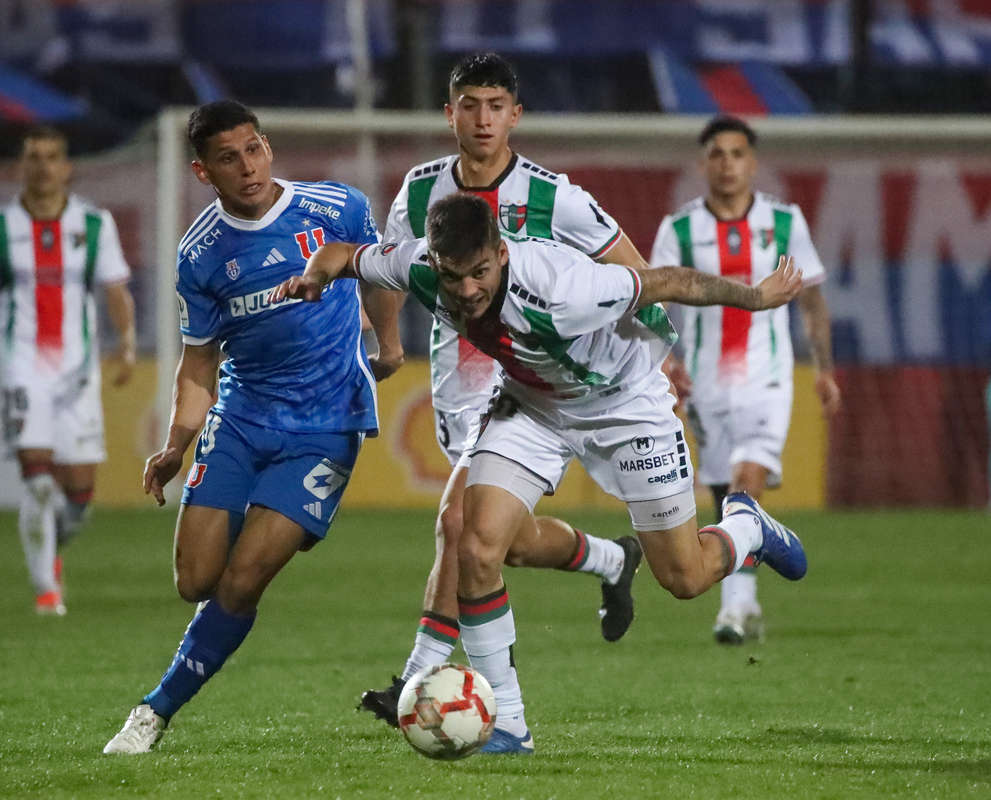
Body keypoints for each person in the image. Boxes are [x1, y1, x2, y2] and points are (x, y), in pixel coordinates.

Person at [276, 193, 809, 754]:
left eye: (480, 272)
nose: (468, 290)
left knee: (684, 579)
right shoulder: (417, 266)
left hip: (625, 404)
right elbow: (340, 254)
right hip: (534, 404)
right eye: (454, 276)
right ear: (434, 263)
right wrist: (313, 277)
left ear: (501, 254)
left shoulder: (560, 288)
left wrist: (755, 297)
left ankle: (747, 527)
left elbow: (670, 282)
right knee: (477, 544)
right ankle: (507, 721)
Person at [358, 52, 655, 727]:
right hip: (456, 381)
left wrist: (654, 345)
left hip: (531, 384)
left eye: (496, 106)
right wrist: (389, 344)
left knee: (458, 525)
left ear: (515, 114)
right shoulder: (417, 191)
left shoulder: (555, 197)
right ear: (450, 112)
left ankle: (423, 681)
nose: (483, 118)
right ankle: (611, 559)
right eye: (470, 104)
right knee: (502, 542)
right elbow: (382, 271)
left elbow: (631, 268)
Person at [102, 100, 402, 755]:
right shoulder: (200, 255)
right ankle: (225, 539)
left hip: (326, 426)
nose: (248, 167)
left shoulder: (336, 207)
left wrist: (391, 342)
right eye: (229, 158)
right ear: (202, 171)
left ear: (268, 146)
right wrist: (176, 444)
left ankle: (152, 713)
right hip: (240, 420)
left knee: (243, 580)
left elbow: (382, 269)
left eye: (255, 149)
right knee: (196, 582)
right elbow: (198, 364)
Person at [651, 116, 840, 645]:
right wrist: (668, 359)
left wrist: (824, 370)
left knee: (746, 478)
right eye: (717, 154)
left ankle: (734, 608)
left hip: (768, 376)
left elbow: (812, 299)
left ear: (753, 163)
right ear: (702, 164)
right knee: (721, 489)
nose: (727, 164)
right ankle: (747, 598)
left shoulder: (785, 222)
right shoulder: (680, 228)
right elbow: (657, 299)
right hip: (708, 378)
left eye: (737, 154)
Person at [0, 126, 137, 616]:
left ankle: (50, 551)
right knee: (37, 481)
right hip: (22, 365)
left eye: (52, 157)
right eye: (34, 157)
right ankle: (46, 591)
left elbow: (115, 289)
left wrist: (128, 342)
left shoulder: (94, 224)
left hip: (78, 371)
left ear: (67, 166)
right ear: (21, 166)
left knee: (78, 498)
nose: (43, 166)